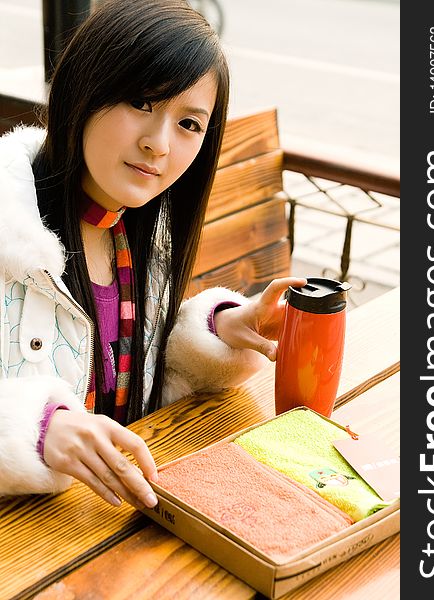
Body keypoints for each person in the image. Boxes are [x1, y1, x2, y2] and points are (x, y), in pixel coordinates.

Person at [0, 0, 306, 510]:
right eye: (142, 102)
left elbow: (123, 393)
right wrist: (31, 432)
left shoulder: (138, 232)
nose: (158, 144)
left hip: (96, 532)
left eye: (189, 124)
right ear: (83, 88)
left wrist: (218, 333)